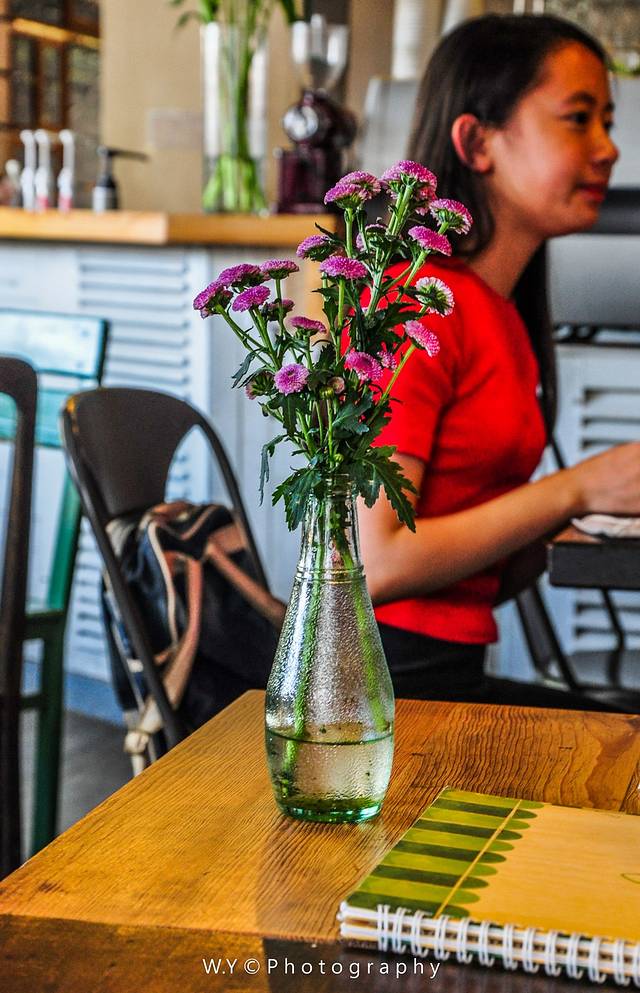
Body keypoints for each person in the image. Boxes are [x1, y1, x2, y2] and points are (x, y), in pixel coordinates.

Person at [360, 13, 640, 705]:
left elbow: (480, 572)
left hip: (442, 678)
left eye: (608, 122)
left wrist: (585, 517)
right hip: (385, 697)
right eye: (578, 119)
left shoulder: (499, 312)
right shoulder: (418, 306)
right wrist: (575, 490)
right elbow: (378, 562)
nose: (609, 149)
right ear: (477, 142)